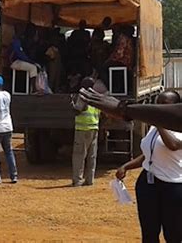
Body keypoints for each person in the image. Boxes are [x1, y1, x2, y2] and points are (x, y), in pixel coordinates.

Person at [115, 90, 182, 242]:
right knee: (149, 232)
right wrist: (127, 166)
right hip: (148, 184)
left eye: (164, 105)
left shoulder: (176, 126)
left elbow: (173, 144)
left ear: (175, 107)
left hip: (172, 187)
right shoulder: (154, 127)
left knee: (174, 234)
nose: (159, 109)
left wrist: (158, 121)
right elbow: (149, 154)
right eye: (157, 104)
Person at [71, 77, 100, 186]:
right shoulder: (96, 97)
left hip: (82, 129)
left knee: (79, 155)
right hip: (94, 128)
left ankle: (77, 180)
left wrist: (71, 106)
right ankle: (90, 180)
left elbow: (78, 110)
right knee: (92, 155)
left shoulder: (82, 96)